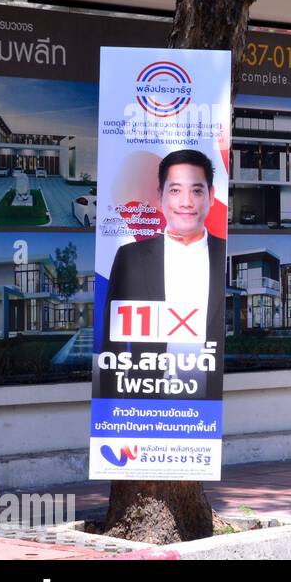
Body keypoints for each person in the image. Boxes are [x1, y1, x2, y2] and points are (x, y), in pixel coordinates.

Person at [99, 149, 225, 399]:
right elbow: (111, 345)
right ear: (160, 197)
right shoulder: (130, 258)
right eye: (176, 190)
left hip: (205, 413)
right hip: (144, 406)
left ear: (211, 196)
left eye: (197, 190)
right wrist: (110, 408)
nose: (186, 202)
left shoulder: (225, 256)